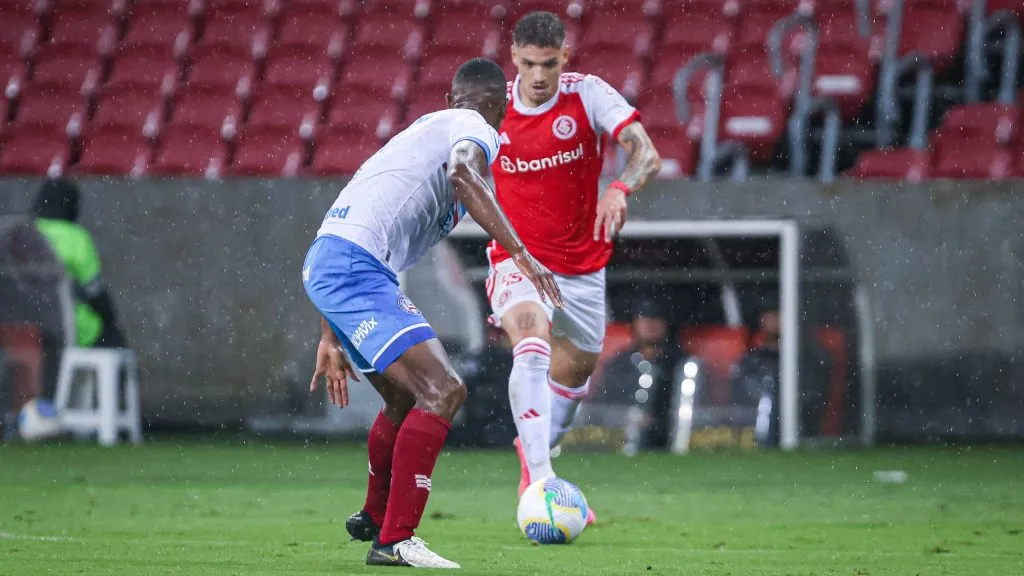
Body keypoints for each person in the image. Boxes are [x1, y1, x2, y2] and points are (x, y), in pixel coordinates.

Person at [302, 58, 563, 569]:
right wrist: (523, 255)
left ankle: (376, 518)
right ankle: (397, 539)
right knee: (445, 389)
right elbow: (464, 172)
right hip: (354, 269)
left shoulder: (425, 131)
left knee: (404, 396)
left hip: (335, 265)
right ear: (501, 107)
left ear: (449, 98)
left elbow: (351, 222)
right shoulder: (474, 128)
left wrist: (329, 334)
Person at [485, 11, 662, 520]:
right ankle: (541, 480)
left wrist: (619, 186)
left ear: (565, 56)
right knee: (531, 335)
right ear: (512, 57)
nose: (538, 77)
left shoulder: (587, 94)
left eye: (548, 64)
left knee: (576, 372)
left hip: (583, 266)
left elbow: (646, 153)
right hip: (517, 257)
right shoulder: (490, 106)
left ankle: (534, 454)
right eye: (527, 64)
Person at [33, 178, 127, 350]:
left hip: (26, 332)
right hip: (71, 329)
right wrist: (111, 319)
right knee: (115, 342)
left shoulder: (21, 234)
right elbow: (95, 293)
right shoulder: (77, 239)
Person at [730, 290, 832, 446]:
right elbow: (741, 395)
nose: (772, 320)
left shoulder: (810, 356)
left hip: (802, 432)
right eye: (768, 315)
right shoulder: (753, 359)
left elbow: (814, 398)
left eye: (777, 314)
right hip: (753, 431)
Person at [591, 297, 685, 450]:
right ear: (634, 324)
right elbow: (601, 408)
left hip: (667, 442)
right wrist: (624, 417)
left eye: (656, 318)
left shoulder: (680, 364)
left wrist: (656, 421)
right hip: (619, 441)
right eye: (644, 318)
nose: (650, 324)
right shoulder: (618, 364)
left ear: (667, 324)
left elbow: (690, 413)